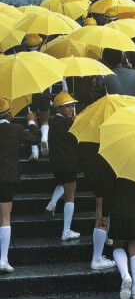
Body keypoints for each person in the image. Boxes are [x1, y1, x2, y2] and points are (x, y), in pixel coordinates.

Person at [0, 98, 40, 272]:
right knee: (5, 219)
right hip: (7, 178)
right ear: (9, 113)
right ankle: (3, 259)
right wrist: (31, 122)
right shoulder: (16, 129)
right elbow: (35, 139)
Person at [79, 142, 116, 270]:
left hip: (93, 170)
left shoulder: (92, 129)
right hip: (103, 172)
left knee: (101, 208)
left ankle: (103, 242)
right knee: (102, 213)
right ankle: (97, 258)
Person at [48, 93, 80, 241]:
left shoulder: (53, 122)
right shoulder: (69, 124)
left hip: (57, 163)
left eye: (72, 105)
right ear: (59, 108)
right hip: (69, 163)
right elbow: (76, 140)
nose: (71, 108)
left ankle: (53, 203)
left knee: (63, 184)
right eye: (68, 106)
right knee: (70, 195)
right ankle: (66, 231)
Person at [25, 33, 51, 160]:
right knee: (45, 119)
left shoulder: (22, 58)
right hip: (43, 90)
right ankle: (44, 137)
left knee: (32, 118)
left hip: (29, 91)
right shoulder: (44, 57)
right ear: (39, 44)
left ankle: (34, 150)